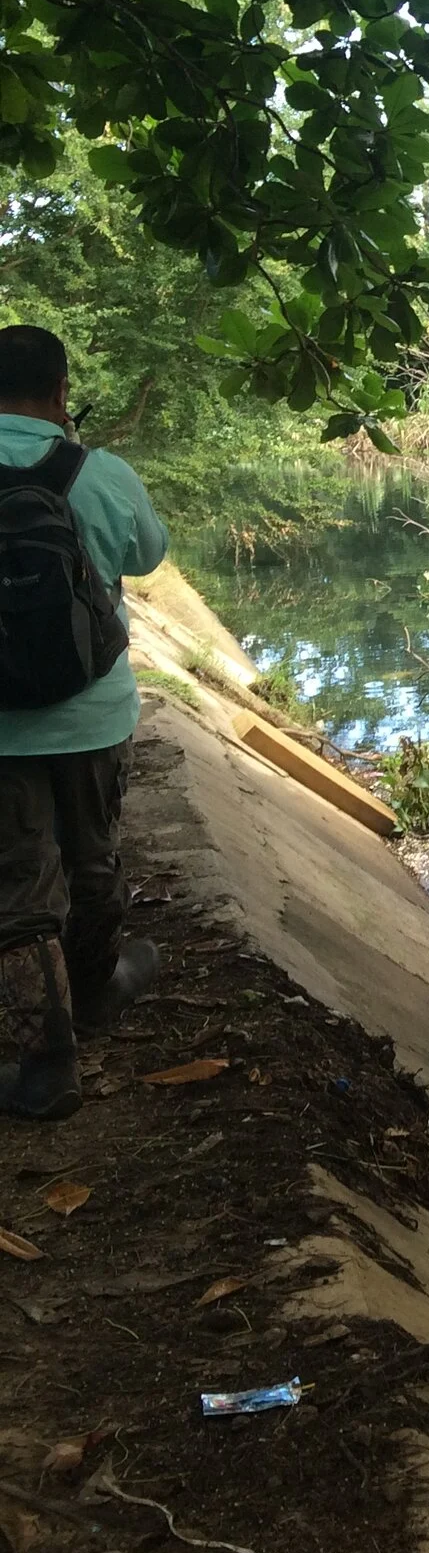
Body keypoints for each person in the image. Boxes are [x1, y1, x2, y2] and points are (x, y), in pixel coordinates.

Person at [0, 324, 167, 1118]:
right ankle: (98, 987)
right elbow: (147, 554)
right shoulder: (96, 471)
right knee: (91, 854)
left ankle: (47, 1058)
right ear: (63, 392)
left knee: (18, 883)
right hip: (91, 712)